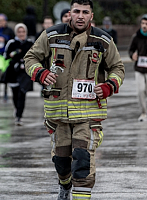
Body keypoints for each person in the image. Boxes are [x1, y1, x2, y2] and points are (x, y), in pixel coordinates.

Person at [23, 0, 125, 199]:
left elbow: (118, 68)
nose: (80, 16)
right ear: (70, 13)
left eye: (85, 12)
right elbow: (30, 58)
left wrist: (108, 86)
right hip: (58, 112)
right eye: (76, 11)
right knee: (61, 161)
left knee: (82, 159)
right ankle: (64, 184)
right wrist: (41, 73)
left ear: (91, 15)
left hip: (88, 113)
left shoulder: (103, 40)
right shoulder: (52, 35)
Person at [2, 23, 34, 125]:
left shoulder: (30, 43)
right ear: (16, 33)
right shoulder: (11, 43)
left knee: (22, 93)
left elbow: (35, 56)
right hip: (13, 72)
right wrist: (13, 54)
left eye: (23, 31)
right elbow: (5, 56)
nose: (21, 34)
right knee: (15, 94)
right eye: (19, 32)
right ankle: (17, 109)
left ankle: (19, 116)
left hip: (25, 72)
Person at [128, 14, 147, 122]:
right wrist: (132, 55)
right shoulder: (136, 36)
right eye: (142, 23)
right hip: (139, 68)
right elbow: (131, 50)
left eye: (146, 24)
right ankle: (143, 113)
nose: (144, 26)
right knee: (140, 91)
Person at [0, 13, 15, 103]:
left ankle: (5, 93)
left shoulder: (9, 31)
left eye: (1, 21)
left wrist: (5, 40)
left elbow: (13, 42)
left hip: (7, 55)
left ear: (5, 21)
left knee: (5, 74)